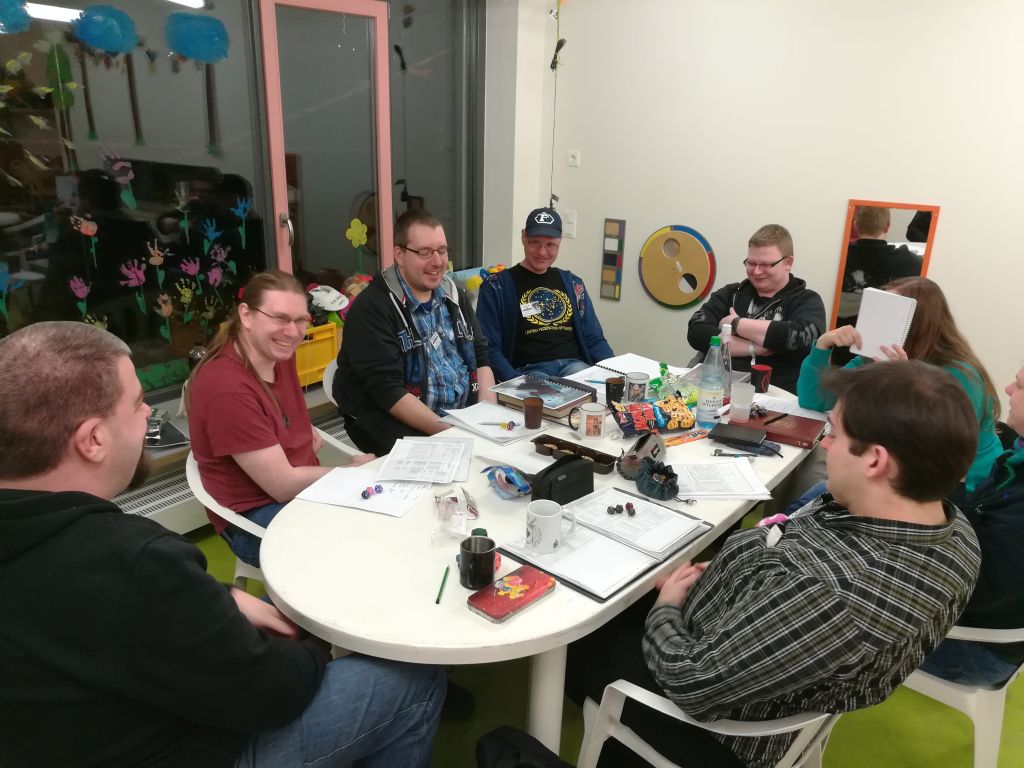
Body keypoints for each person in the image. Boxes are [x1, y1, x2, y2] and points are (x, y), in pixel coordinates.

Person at [0, 321, 444, 768]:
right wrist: (313, 645)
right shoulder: (132, 560)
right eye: (136, 404)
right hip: (190, 748)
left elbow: (110, 619)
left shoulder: (69, 550)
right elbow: (271, 695)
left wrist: (224, 596)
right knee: (412, 680)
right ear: (93, 440)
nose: (149, 412)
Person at [566, 361, 981, 768]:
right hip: (756, 648)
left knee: (573, 631)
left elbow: (690, 680)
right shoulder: (954, 529)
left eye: (835, 434)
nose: (824, 444)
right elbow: (793, 587)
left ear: (875, 460)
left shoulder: (831, 594)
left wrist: (666, 608)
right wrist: (736, 573)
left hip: (720, 727)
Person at [188, 270, 374, 568]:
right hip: (253, 516)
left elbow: (282, 422)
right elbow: (282, 485)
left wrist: (302, 440)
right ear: (246, 315)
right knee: (357, 550)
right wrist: (349, 472)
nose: (292, 332)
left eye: (301, 320)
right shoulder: (226, 387)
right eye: (280, 318)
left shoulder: (277, 353)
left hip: (297, 490)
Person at [796, 276, 1002, 494]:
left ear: (915, 322)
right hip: (898, 469)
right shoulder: (877, 356)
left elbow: (928, 448)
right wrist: (823, 346)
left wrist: (900, 381)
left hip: (959, 486)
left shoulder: (960, 375)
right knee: (815, 472)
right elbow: (814, 399)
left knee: (822, 481)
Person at [334, 209, 496, 456]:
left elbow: (481, 357)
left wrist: (486, 418)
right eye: (425, 252)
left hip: (465, 422)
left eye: (442, 250)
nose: (438, 261)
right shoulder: (372, 309)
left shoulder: (454, 296)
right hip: (404, 429)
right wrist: (456, 436)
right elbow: (387, 392)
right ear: (399, 254)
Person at [918, 364, 1024, 685]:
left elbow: (972, 590)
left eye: (1019, 386)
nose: (1007, 389)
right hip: (980, 620)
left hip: (976, 648)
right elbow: (976, 512)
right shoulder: (1016, 456)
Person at [475, 207, 614, 381]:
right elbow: (488, 348)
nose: (542, 252)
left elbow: (594, 339)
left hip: (574, 366)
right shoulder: (495, 287)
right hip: (529, 371)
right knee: (546, 396)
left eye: (550, 245)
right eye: (535, 242)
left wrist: (615, 372)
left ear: (560, 241)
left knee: (596, 394)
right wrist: (515, 383)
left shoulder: (573, 284)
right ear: (523, 237)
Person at [687, 224, 825, 394]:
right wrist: (754, 347)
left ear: (788, 263)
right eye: (751, 263)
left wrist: (736, 324)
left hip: (775, 396)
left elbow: (803, 339)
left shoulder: (806, 300)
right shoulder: (731, 294)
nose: (757, 271)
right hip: (717, 389)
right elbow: (696, 332)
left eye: (766, 264)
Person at [833, 206, 922, 365]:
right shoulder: (910, 262)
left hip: (840, 348)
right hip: (886, 353)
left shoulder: (837, 257)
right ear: (887, 226)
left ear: (855, 225)